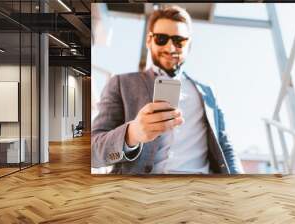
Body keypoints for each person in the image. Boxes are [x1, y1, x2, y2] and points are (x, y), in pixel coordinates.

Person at [91, 5, 243, 174]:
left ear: (189, 45)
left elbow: (225, 146)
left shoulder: (208, 92)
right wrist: (132, 134)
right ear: (149, 40)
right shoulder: (120, 83)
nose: (170, 48)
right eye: (161, 39)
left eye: (179, 41)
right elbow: (93, 152)